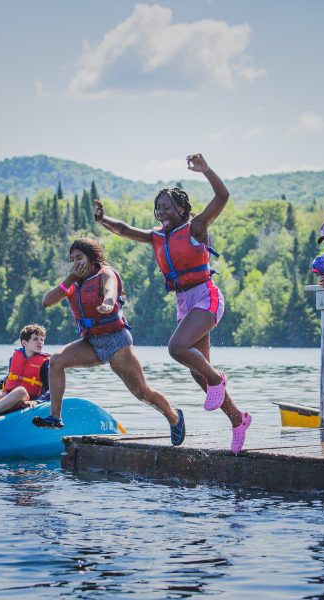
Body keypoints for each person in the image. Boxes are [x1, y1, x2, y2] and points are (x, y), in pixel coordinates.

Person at [93, 154, 252, 453]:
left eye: (167, 207)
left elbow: (223, 195)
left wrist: (206, 170)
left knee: (177, 348)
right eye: (158, 208)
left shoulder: (196, 228)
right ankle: (238, 419)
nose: (161, 212)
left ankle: (219, 378)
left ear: (181, 209)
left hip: (206, 295)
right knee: (198, 374)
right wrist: (103, 220)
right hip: (184, 302)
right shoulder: (156, 238)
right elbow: (125, 230)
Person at [31, 238, 186, 446]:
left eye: (80, 258)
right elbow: (46, 301)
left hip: (116, 342)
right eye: (73, 259)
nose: (76, 263)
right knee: (56, 361)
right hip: (91, 343)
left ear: (92, 259)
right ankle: (56, 417)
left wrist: (107, 303)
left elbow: (111, 290)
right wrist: (69, 278)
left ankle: (174, 417)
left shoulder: (105, 273)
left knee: (141, 392)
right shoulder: (73, 281)